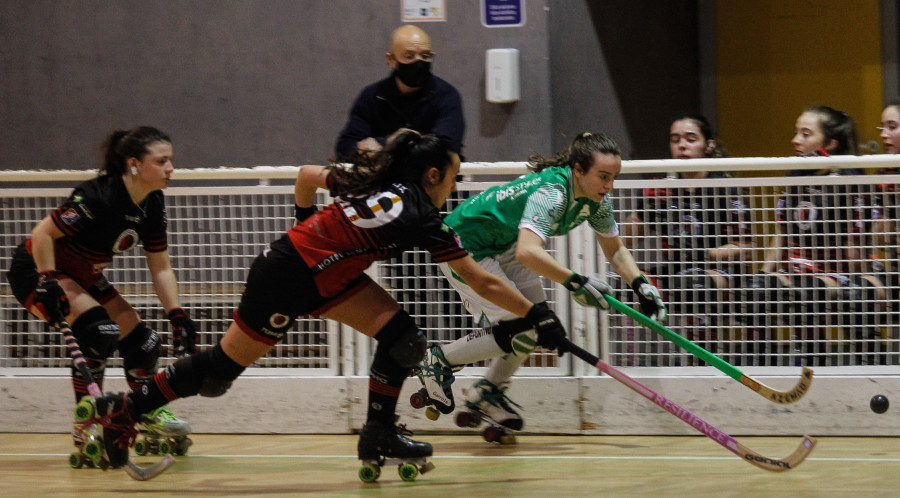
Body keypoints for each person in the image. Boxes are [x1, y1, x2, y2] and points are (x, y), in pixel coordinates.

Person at [88, 131, 568, 470]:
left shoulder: (373, 180)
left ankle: (377, 434)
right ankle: (125, 409)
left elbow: (304, 176)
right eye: (453, 179)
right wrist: (537, 314)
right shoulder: (421, 212)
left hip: (328, 276)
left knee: (403, 338)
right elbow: (478, 280)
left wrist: (301, 222)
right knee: (217, 375)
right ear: (432, 174)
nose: (455, 189)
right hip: (288, 277)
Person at [416, 132, 667, 433]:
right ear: (577, 170)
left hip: (503, 243)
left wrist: (641, 285)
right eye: (603, 176)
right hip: (465, 244)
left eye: (613, 177)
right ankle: (438, 359)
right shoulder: (552, 193)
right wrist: (576, 281)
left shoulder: (598, 201)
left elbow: (615, 249)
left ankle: (486, 392)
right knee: (520, 326)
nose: (609, 186)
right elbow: (528, 251)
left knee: (536, 325)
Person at [5, 126, 195, 460]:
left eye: (171, 160)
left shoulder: (152, 205)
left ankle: (146, 411)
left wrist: (176, 313)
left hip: (84, 276)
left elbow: (161, 267)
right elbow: (43, 234)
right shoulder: (97, 197)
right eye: (162, 161)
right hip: (37, 269)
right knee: (99, 331)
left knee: (144, 343)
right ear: (134, 163)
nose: (170, 168)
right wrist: (48, 280)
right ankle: (87, 421)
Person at [759, 106, 886, 366]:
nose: (795, 141)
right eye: (796, 133)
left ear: (830, 143)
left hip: (844, 270)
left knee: (851, 297)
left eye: (805, 134)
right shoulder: (795, 176)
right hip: (804, 271)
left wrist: (858, 287)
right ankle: (782, 372)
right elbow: (781, 233)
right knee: (757, 290)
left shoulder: (847, 180)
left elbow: (855, 253)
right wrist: (764, 274)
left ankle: (869, 367)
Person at [624, 115, 752, 364]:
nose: (682, 145)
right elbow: (628, 238)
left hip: (720, 271)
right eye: (675, 140)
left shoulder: (728, 187)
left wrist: (705, 255)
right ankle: (641, 363)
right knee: (631, 283)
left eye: (691, 139)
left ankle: (703, 361)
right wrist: (643, 211)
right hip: (675, 269)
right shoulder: (659, 188)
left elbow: (746, 247)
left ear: (709, 145)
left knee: (693, 282)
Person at [334, 24, 465, 159]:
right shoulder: (372, 96)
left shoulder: (446, 95)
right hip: (382, 178)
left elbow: (446, 148)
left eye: (425, 55)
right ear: (391, 60)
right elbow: (346, 146)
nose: (419, 62)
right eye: (409, 56)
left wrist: (387, 145)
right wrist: (390, 143)